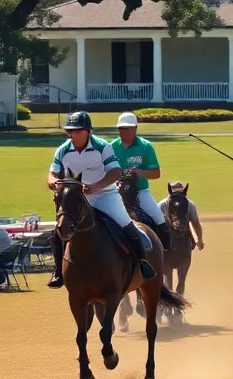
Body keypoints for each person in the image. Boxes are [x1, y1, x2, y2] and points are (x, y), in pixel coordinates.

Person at [46, 111, 156, 285]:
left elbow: (115, 172)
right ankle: (58, 272)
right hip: (77, 197)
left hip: (105, 194)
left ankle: (143, 263)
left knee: (125, 223)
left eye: (77, 131)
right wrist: (53, 182)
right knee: (60, 229)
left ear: (88, 131)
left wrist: (96, 186)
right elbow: (52, 172)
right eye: (71, 131)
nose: (73, 134)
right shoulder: (63, 149)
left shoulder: (102, 146)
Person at [110, 112, 171, 249]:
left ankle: (165, 251)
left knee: (159, 219)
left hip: (140, 191)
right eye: (120, 128)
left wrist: (137, 172)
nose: (123, 131)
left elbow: (156, 173)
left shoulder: (145, 146)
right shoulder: (111, 147)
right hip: (115, 191)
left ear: (135, 129)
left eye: (127, 128)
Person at [158, 182, 204, 251]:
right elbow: (196, 223)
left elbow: (157, 223)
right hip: (184, 237)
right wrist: (199, 239)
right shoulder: (189, 203)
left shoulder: (162, 204)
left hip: (165, 238)